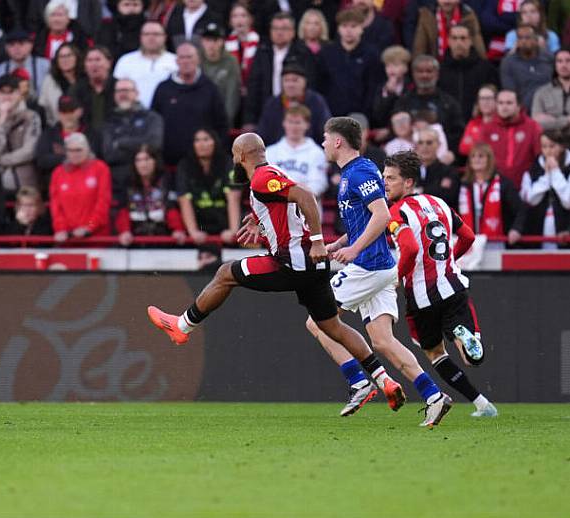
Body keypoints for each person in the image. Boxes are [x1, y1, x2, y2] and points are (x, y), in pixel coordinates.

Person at [148, 133, 421, 421]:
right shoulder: (270, 177)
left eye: (233, 154)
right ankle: (382, 380)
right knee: (332, 327)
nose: (232, 159)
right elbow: (285, 203)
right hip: (313, 267)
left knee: (226, 272)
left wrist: (317, 240)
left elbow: (306, 197)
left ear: (241, 156)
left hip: (293, 263)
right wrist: (259, 219)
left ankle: (182, 326)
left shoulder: (261, 178)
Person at [305, 118, 454, 425]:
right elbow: (366, 219)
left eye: (324, 138)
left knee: (317, 322)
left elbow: (382, 215)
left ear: (337, 142)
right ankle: (434, 396)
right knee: (384, 342)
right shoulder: (356, 172)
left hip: (369, 266)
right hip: (381, 267)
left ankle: (360, 382)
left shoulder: (358, 171)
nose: (322, 143)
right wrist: (341, 242)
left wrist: (355, 250)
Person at [381, 150, 498, 416]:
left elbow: (409, 249)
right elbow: (467, 236)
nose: (385, 183)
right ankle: (483, 404)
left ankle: (478, 400)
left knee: (434, 353)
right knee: (471, 359)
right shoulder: (438, 203)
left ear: (408, 182)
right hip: (453, 284)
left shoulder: (396, 212)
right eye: (384, 177)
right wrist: (448, 260)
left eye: (391, 178)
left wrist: (396, 276)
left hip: (421, 295)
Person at [151, 42, 228, 166]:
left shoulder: (210, 89)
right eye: (182, 57)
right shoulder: (163, 89)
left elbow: (221, 124)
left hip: (203, 164)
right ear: (176, 61)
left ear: (198, 59)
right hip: (169, 163)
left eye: (190, 57)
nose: (186, 61)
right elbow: (154, 123)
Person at [241, 12, 316, 130]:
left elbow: (311, 85)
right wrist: (250, 120)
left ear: (293, 32)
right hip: (267, 111)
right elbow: (254, 87)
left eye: (284, 28)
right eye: (275, 28)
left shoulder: (303, 53)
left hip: (297, 114)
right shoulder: (262, 52)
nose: (279, 32)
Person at [102, 77, 165, 202]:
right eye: (119, 91)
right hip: (118, 185)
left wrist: (121, 143)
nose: (122, 94)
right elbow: (108, 154)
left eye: (126, 90)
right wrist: (140, 146)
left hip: (149, 183)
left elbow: (155, 144)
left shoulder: (152, 117)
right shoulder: (109, 121)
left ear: (136, 93)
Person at [317, 8, 383, 124]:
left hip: (360, 117)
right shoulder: (327, 53)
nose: (348, 31)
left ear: (361, 28)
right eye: (344, 26)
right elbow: (321, 84)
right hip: (330, 115)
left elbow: (373, 87)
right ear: (338, 29)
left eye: (353, 26)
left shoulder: (371, 54)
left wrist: (365, 114)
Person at [174, 128, 239, 244]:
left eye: (206, 139)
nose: (201, 144)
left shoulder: (227, 162)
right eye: (197, 140)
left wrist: (232, 230)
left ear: (215, 142)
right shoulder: (185, 166)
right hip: (198, 221)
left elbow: (233, 197)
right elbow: (184, 199)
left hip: (223, 220)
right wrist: (193, 232)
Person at [0, 74, 42, 193]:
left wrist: (0, 160)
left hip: (25, 184)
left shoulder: (31, 117)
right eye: (2, 92)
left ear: (19, 94)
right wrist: (1, 122)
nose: (6, 96)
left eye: (11, 92)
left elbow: (30, 151)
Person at [115, 145, 185, 246]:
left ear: (155, 161)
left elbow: (171, 207)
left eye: (147, 159)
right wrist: (125, 231)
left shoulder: (166, 180)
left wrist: (177, 229)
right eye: (138, 160)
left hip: (164, 240)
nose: (143, 164)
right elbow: (123, 210)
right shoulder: (127, 183)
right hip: (135, 241)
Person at [393, 55, 466, 151]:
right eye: (420, 71)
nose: (424, 75)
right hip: (408, 157)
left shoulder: (449, 103)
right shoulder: (402, 102)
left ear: (437, 74)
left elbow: (458, 134)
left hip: (441, 157)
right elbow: (394, 131)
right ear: (413, 74)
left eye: (429, 71)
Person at [49, 132, 112, 241]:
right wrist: (61, 228)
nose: (74, 154)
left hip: (96, 238)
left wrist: (90, 226)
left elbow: (103, 202)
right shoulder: (58, 173)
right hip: (68, 239)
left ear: (87, 149)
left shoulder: (100, 169)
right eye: (70, 150)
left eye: (78, 150)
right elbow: (56, 205)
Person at [459, 142, 524, 246]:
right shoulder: (463, 185)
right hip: (468, 244)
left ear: (489, 160)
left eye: (481, 156)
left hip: (495, 242)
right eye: (473, 156)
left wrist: (516, 229)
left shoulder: (503, 183)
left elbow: (520, 209)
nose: (476, 159)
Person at [516, 129, 570, 248]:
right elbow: (530, 200)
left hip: (564, 231)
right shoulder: (533, 170)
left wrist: (555, 172)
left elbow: (568, 201)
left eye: (552, 146)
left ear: (561, 146)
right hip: (538, 229)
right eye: (544, 147)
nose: (548, 151)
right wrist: (546, 177)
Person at [479, 88, 543, 187]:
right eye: (500, 103)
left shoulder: (532, 127)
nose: (504, 107)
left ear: (518, 106)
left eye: (509, 103)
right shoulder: (487, 129)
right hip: (494, 185)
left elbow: (540, 157)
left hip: (526, 186)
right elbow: (480, 158)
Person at [256, 63, 331, 145]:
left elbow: (326, 133)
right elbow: (263, 134)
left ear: (305, 82)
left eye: (295, 80)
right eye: (286, 80)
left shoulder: (317, 102)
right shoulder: (272, 104)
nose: (290, 85)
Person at [266, 105, 328, 200]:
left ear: (307, 125)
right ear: (284, 123)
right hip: (278, 207)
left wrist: (290, 191)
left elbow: (318, 185)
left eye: (298, 122)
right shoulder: (270, 152)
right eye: (290, 122)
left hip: (306, 208)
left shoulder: (317, 153)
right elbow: (267, 183)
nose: (294, 127)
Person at [35, 94, 100, 185]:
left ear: (80, 111)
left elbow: (92, 157)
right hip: (56, 187)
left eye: (71, 111)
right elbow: (42, 160)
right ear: (58, 113)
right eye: (63, 112)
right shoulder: (49, 134)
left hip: (85, 186)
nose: (67, 116)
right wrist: (73, 156)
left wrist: (60, 158)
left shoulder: (91, 134)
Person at [438, 23, 499, 119]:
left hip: (478, 122)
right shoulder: (439, 70)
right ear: (448, 41)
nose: (459, 43)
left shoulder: (486, 69)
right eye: (454, 38)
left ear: (470, 41)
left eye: (463, 38)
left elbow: (495, 94)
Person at [113, 21, 177, 109]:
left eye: (156, 34)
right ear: (140, 37)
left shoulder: (175, 61)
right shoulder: (126, 60)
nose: (151, 38)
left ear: (165, 37)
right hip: (133, 114)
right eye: (146, 34)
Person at [501, 23, 554, 112]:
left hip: (550, 109)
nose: (524, 41)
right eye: (520, 38)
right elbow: (510, 93)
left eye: (528, 37)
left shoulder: (549, 58)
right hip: (523, 112)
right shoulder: (508, 62)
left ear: (536, 40)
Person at [413, 0, 486, 60]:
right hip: (435, 66)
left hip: (461, 66)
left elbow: (478, 47)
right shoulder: (427, 15)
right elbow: (420, 48)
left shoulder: (468, 15)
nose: (447, 1)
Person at [200, 22, 240, 126]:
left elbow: (232, 95)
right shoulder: (196, 59)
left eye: (215, 40)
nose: (211, 44)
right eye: (208, 40)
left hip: (222, 119)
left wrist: (225, 122)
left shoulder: (231, 61)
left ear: (222, 41)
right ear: (202, 41)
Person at [0, 28, 49, 94]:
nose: (16, 48)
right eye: (12, 45)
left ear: (31, 45)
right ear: (6, 48)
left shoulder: (45, 66)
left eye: (21, 43)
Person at [37, 42, 83, 126]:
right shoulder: (49, 81)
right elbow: (44, 109)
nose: (65, 59)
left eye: (69, 55)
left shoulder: (85, 79)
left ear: (77, 57)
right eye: (61, 57)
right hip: (56, 129)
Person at [71, 46, 116, 131]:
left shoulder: (119, 87)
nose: (93, 64)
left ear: (109, 63)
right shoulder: (76, 90)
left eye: (98, 60)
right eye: (89, 60)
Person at [369, 45, 412, 134]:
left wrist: (390, 131)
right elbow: (377, 116)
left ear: (405, 67)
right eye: (388, 65)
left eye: (395, 65)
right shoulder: (381, 88)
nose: (391, 69)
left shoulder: (411, 87)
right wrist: (388, 94)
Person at [416, 127, 460, 209]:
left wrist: (420, 191)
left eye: (429, 143)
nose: (424, 146)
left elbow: (448, 197)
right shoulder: (410, 171)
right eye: (420, 142)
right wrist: (435, 189)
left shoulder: (449, 171)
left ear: (438, 145)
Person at [531, 49, 570, 132]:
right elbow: (536, 122)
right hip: (550, 141)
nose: (564, 65)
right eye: (559, 61)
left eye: (568, 61)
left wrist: (553, 120)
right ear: (555, 65)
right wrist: (567, 120)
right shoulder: (542, 92)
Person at [225, 2, 259, 87]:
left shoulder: (260, 43)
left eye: (243, 16)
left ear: (250, 19)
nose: (239, 20)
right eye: (235, 16)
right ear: (230, 21)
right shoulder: (225, 45)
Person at [460, 84, 497, 156]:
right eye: (482, 98)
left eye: (489, 98)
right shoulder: (473, 123)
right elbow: (463, 148)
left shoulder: (501, 124)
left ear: (496, 101)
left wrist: (475, 143)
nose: (485, 102)